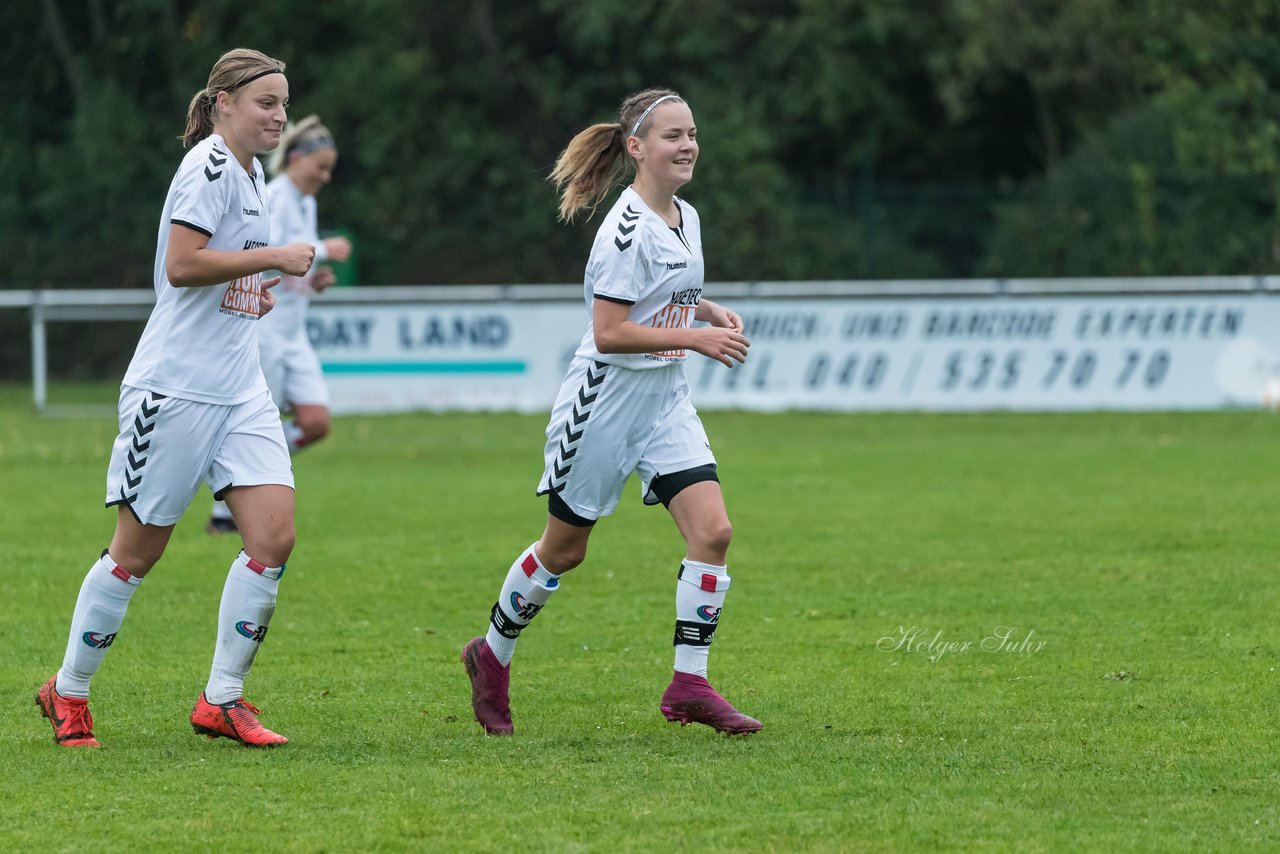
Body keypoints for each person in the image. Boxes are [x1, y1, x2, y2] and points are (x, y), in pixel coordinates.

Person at [35, 48, 315, 748]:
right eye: (265, 102)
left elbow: (215, 276)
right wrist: (272, 258)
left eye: (283, 102)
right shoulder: (210, 166)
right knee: (137, 552)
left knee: (274, 536)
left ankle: (221, 699)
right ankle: (67, 693)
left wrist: (251, 289)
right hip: (177, 388)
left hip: (240, 387)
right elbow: (182, 264)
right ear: (223, 102)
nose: (279, 115)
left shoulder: (251, 175)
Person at [461, 88, 762, 736]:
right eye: (672, 136)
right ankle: (491, 654)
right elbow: (609, 332)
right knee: (564, 551)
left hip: (663, 402)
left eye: (691, 134)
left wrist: (704, 310)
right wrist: (694, 337)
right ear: (636, 148)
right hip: (602, 405)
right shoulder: (623, 229)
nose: (687, 146)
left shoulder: (687, 215)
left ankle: (689, 683)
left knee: (714, 532)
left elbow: (671, 291)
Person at [207, 115, 351, 535]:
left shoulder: (306, 202)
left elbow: (292, 265)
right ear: (294, 158)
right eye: (319, 167)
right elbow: (267, 251)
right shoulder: (271, 196)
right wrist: (324, 249)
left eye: (329, 170)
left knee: (316, 423)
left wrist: (312, 278)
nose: (324, 177)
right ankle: (223, 514)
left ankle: (233, 469)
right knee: (258, 423)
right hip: (264, 332)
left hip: (295, 335)